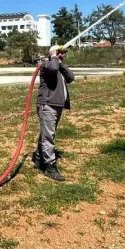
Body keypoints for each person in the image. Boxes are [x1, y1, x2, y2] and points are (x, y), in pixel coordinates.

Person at [32, 45, 75, 181]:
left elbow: (70, 77)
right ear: (53, 53)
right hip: (47, 105)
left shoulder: (58, 66)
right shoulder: (46, 65)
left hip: (57, 105)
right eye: (59, 53)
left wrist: (61, 62)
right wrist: (54, 56)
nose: (62, 55)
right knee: (48, 136)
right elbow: (53, 68)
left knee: (47, 134)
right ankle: (50, 167)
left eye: (63, 53)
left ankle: (39, 158)